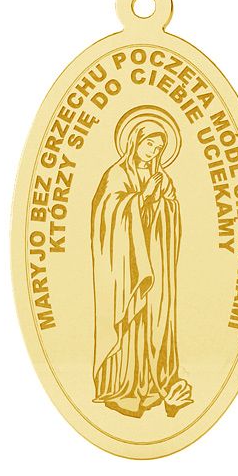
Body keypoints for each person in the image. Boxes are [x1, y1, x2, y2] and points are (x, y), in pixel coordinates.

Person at [91, 110, 192, 418]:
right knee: (130, 324)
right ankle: (123, 388)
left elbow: (171, 215)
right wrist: (140, 199)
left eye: (158, 148)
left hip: (154, 267)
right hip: (127, 272)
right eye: (149, 144)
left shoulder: (163, 178)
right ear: (134, 141)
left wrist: (160, 204)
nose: (153, 152)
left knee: (153, 322)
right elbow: (106, 214)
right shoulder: (116, 175)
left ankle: (149, 386)